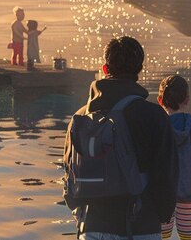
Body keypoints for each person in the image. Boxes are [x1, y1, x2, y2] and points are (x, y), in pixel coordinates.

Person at [63, 36, 179, 240]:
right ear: (140, 69)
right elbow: (167, 172)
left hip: (92, 225)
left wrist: (80, 211)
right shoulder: (153, 114)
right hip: (142, 223)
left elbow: (69, 170)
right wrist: (160, 214)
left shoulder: (80, 117)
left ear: (105, 68)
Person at [158, 75, 191, 240]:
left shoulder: (158, 126)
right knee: (189, 237)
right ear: (187, 100)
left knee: (161, 235)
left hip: (162, 191)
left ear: (160, 100)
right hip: (187, 191)